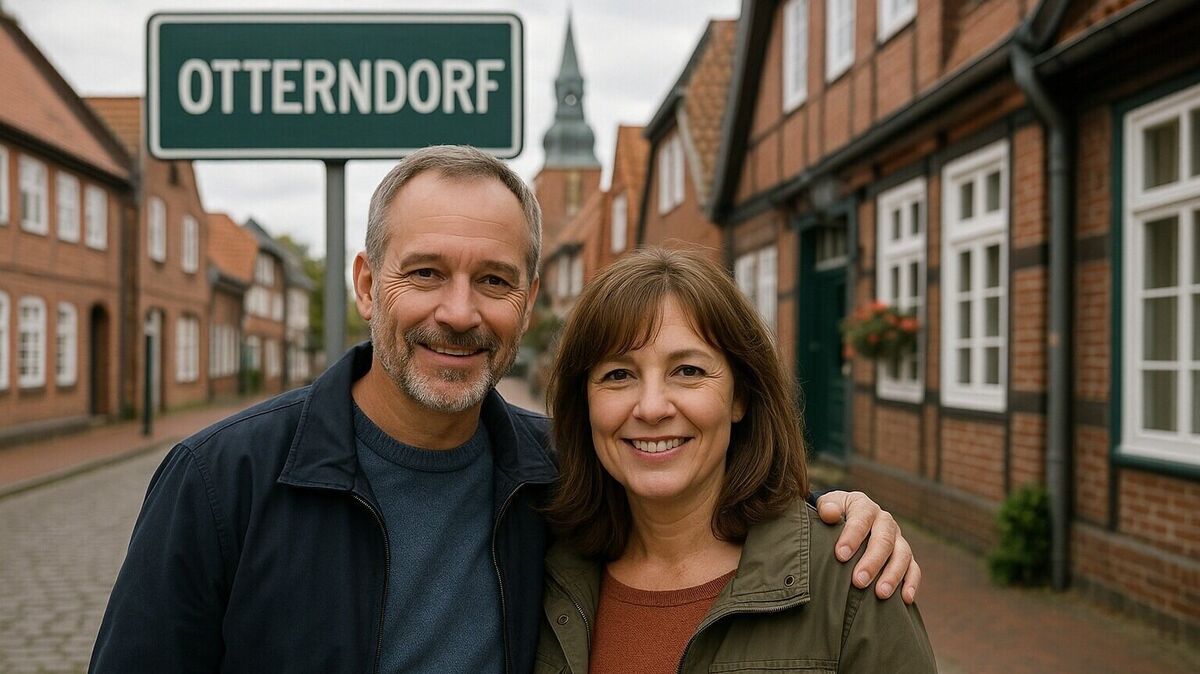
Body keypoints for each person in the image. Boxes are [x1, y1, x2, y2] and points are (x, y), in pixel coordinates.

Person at [90, 146, 920, 674]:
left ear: (526, 302)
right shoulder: (221, 482)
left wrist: (835, 516)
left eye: (493, 280)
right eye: (425, 273)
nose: (459, 312)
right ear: (367, 285)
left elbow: (701, 493)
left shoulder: (559, 478)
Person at [536, 248, 937, 673]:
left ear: (739, 397)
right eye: (618, 375)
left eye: (688, 371)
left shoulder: (851, 580)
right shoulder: (544, 572)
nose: (652, 408)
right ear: (584, 403)